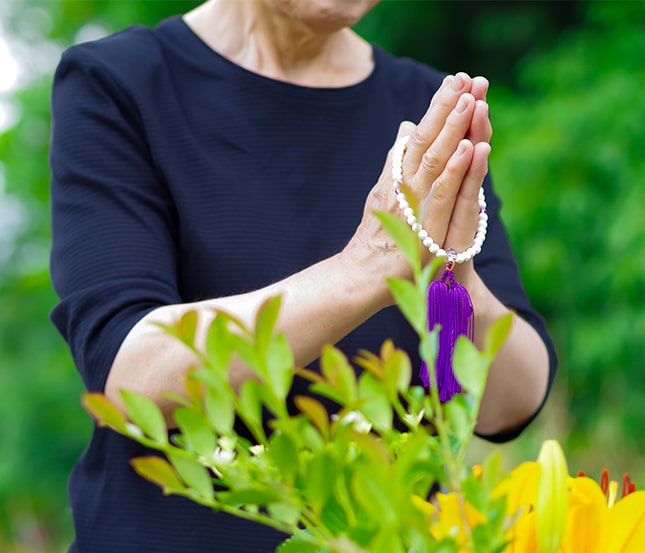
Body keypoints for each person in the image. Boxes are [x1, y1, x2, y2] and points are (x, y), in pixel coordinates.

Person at [48, 0, 556, 551]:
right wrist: (367, 270)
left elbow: (503, 405)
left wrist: (448, 286)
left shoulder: (425, 106)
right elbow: (130, 371)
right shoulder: (121, 82)